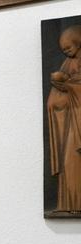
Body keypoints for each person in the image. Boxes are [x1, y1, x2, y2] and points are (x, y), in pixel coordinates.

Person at [46, 24, 81, 213]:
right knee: (68, 164)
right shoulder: (68, 63)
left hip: (79, 123)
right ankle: (68, 204)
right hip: (70, 121)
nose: (66, 52)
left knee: (74, 161)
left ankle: (76, 204)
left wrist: (67, 83)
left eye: (69, 47)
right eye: (63, 50)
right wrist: (59, 83)